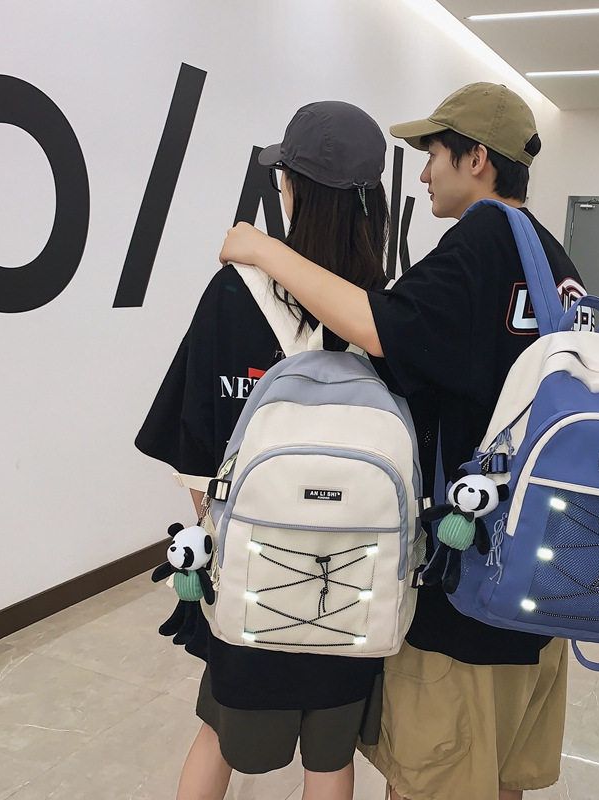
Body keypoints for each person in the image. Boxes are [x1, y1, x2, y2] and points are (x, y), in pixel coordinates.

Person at [218, 82, 589, 800]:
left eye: (435, 155)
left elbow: (375, 326)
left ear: (477, 159)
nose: (423, 174)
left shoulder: (481, 241)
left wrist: (264, 248)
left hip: (467, 588)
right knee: (501, 776)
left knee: (431, 778)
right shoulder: (550, 260)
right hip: (539, 583)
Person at [136, 100, 390, 800]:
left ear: (291, 188)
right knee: (330, 758)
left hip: (253, 575)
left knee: (217, 732)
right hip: (352, 577)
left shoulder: (233, 293)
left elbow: (196, 455)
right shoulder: (383, 309)